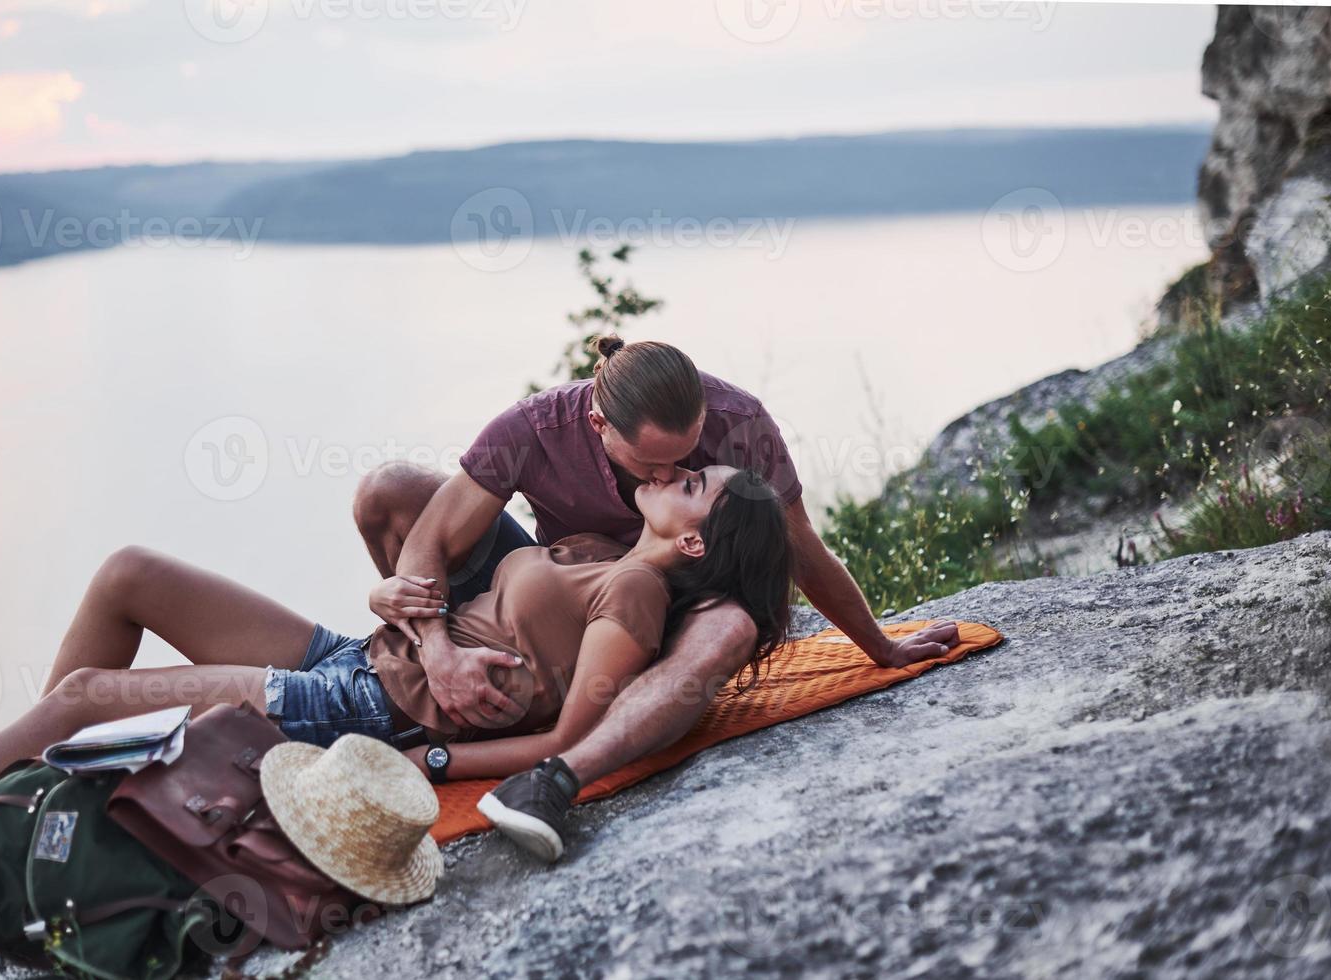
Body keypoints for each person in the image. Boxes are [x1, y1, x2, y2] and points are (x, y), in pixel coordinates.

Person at [0, 464, 790, 890]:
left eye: (692, 482)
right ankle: (26, 795)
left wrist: (437, 753)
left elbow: (562, 745)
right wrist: (427, 632)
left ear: (695, 534)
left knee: (87, 699)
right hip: (356, 658)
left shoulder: (632, 608)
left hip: (356, 710)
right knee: (128, 575)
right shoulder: (607, 553)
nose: (675, 472)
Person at [355, 336, 960, 860]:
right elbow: (427, 539)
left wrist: (880, 646)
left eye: (688, 458)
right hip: (569, 602)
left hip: (670, 604)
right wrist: (435, 645)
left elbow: (803, 549)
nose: (668, 472)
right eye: (651, 461)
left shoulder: (739, 421)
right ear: (599, 425)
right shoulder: (534, 429)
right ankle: (450, 687)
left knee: (732, 626)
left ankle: (556, 772)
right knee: (388, 492)